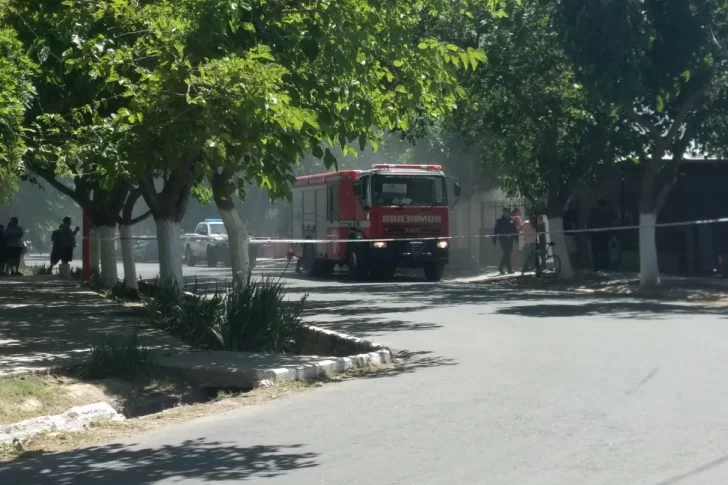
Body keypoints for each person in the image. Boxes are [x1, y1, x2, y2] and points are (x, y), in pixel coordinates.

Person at [587, 199, 612, 271]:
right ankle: (604, 266)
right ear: (605, 205)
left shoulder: (593, 213)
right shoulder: (606, 213)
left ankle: (596, 267)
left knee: (595, 252)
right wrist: (610, 234)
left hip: (595, 234)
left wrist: (589, 233)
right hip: (603, 234)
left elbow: (589, 223)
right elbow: (609, 224)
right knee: (604, 251)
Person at [493, 207, 517, 274]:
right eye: (506, 211)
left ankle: (506, 269)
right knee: (506, 252)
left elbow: (514, 229)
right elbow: (496, 230)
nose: (508, 213)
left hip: (510, 238)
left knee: (508, 253)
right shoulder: (500, 220)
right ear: (503, 212)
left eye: (508, 211)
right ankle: (503, 268)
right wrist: (494, 239)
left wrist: (516, 238)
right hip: (503, 238)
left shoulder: (512, 220)